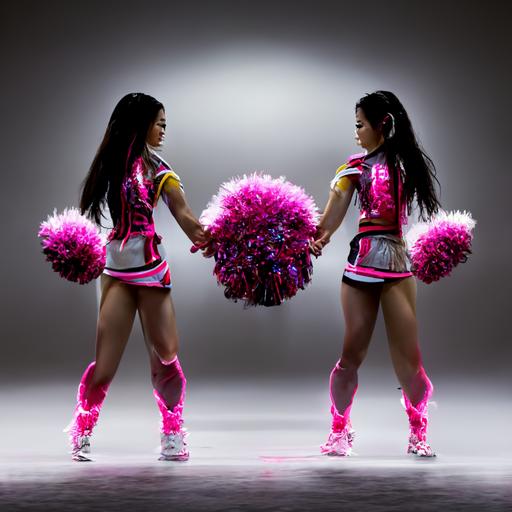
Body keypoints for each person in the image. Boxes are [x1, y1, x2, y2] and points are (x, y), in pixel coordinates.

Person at [66, 92, 210, 462]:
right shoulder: (109, 165)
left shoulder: (161, 171)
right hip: (114, 270)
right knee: (105, 365)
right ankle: (81, 430)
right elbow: (88, 217)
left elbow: (187, 218)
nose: (164, 130)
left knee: (165, 355)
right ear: (141, 122)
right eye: (160, 122)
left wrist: (214, 239)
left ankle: (173, 430)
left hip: (150, 270)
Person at [312, 91, 441, 457]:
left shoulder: (406, 166)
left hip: (398, 266)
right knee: (351, 353)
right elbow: (329, 221)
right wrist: (315, 240)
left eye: (360, 125)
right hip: (361, 266)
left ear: (381, 124)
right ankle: (339, 429)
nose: (356, 132)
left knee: (410, 361)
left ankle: (418, 433)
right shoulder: (353, 168)